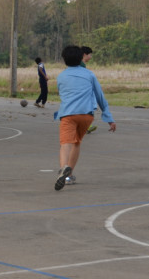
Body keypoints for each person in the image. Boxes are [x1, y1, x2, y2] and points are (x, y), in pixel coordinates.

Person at [54, 45, 116, 191]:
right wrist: (109, 117)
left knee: (66, 144)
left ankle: (63, 169)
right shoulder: (89, 74)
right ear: (81, 57)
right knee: (76, 142)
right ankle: (69, 176)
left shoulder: (61, 76)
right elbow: (100, 96)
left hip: (68, 115)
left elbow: (61, 93)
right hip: (86, 115)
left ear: (64, 60)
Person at [80, 46, 99, 134]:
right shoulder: (81, 64)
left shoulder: (80, 63)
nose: (91, 57)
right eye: (90, 55)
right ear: (84, 55)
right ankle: (86, 126)